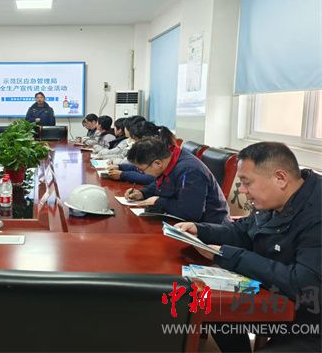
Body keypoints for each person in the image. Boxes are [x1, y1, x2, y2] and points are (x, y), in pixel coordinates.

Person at [176, 142, 321, 352]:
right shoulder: (275, 201)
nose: (242, 190)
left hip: (311, 319)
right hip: (281, 300)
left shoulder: (316, 213)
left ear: (280, 178)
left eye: (247, 182)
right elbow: (244, 230)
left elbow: (305, 283)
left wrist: (229, 255)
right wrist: (201, 230)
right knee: (216, 312)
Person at [124, 136, 229, 224]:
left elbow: (190, 212)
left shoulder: (189, 171)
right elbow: (162, 182)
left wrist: (158, 201)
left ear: (157, 163)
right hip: (185, 224)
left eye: (142, 170)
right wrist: (143, 193)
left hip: (210, 228)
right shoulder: (170, 160)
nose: (143, 173)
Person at [107, 120, 168, 185]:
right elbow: (138, 168)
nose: (134, 143)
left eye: (135, 140)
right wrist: (120, 167)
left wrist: (123, 174)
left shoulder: (157, 150)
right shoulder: (150, 148)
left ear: (144, 138)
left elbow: (152, 178)